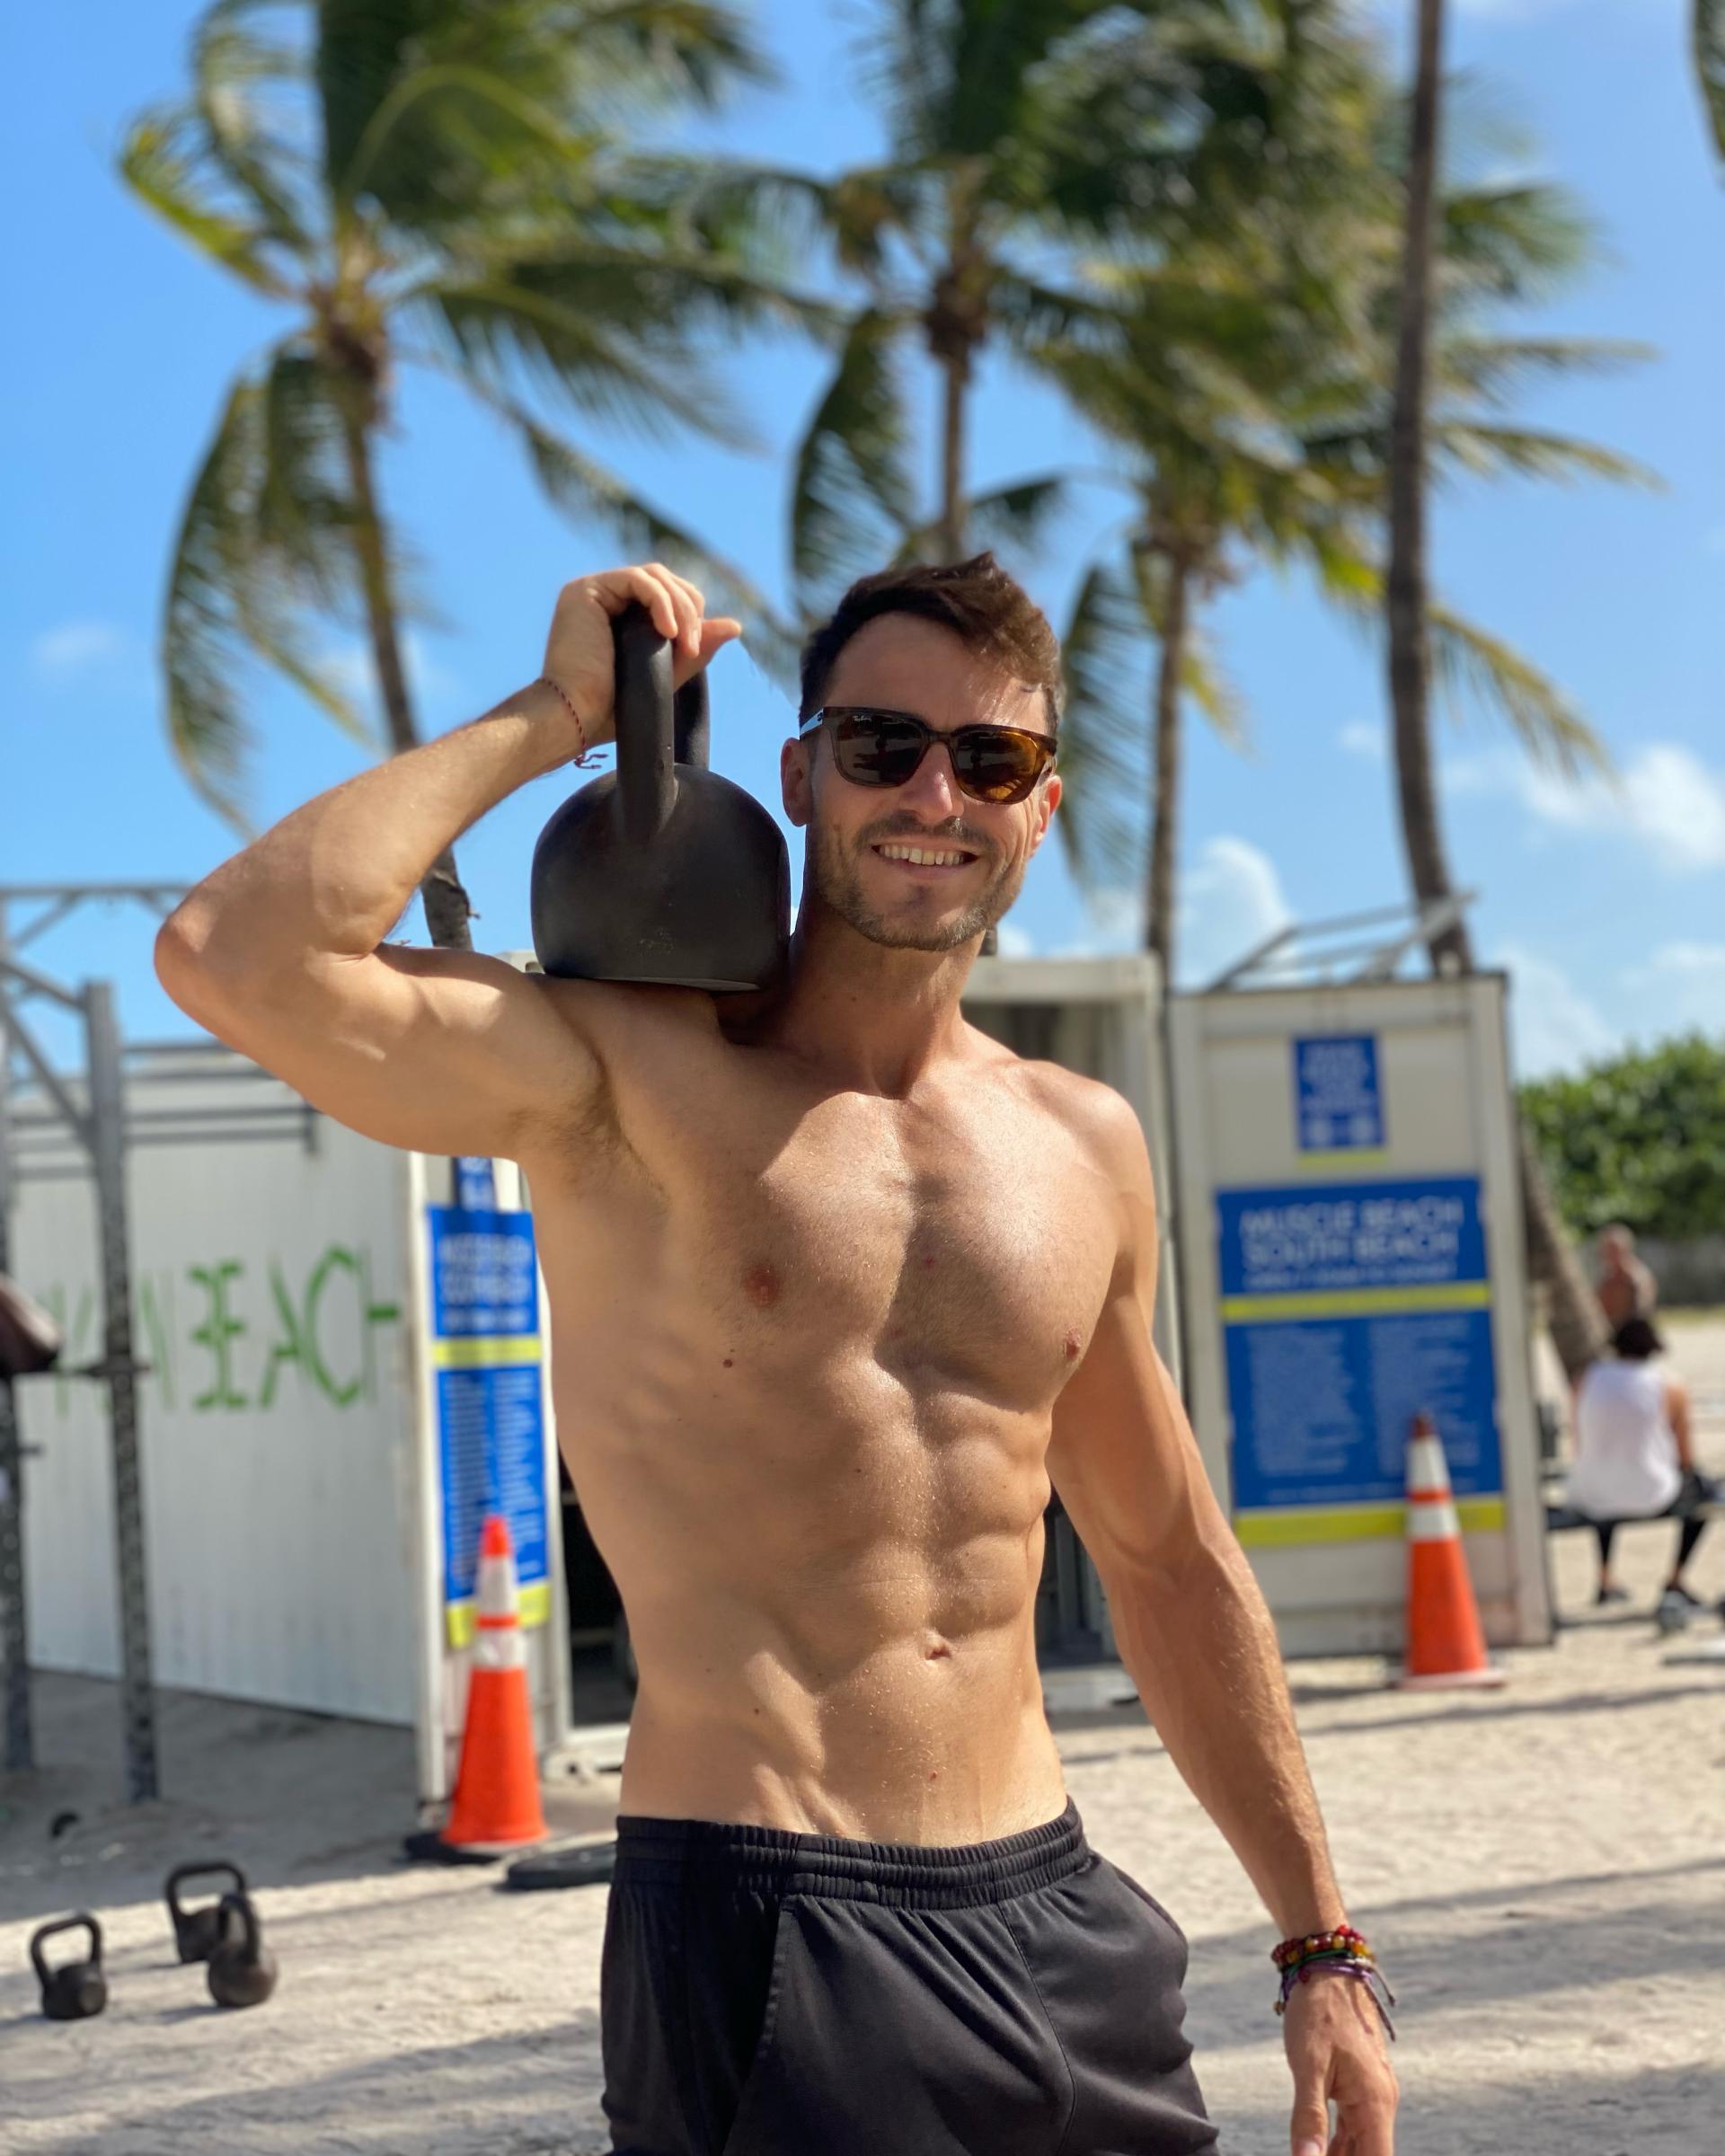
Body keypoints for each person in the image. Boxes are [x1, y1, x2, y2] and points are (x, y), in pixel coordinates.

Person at [156, 557, 1397, 2156]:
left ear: (1040, 807)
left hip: (1059, 1913)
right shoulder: (619, 1075)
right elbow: (231, 955)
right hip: (774, 1923)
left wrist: (1320, 1941)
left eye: (991, 758)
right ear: (801, 774)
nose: (934, 794)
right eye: (884, 745)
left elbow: (1166, 1556)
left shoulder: (1083, 1143)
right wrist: (562, 714)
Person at [1568, 1316, 1712, 1608]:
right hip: (1651, 1492)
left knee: (1605, 1482)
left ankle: (1605, 1578)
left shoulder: (1586, 1379)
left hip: (1591, 1491)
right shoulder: (1670, 1384)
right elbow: (1686, 1457)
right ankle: (1675, 1579)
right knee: (1704, 1498)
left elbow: (1579, 1440)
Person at [1595, 1223, 1658, 1330]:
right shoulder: (1607, 1278)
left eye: (1613, 1250)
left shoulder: (1637, 1276)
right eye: (1607, 1250)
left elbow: (1642, 1308)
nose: (1609, 1254)